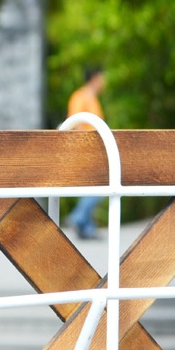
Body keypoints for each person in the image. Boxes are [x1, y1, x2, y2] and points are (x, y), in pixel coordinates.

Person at [66, 67, 106, 239]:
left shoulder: (92, 98)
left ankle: (86, 226)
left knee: (95, 186)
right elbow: (76, 121)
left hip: (95, 150)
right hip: (85, 150)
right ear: (96, 78)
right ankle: (78, 218)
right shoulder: (80, 96)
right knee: (101, 185)